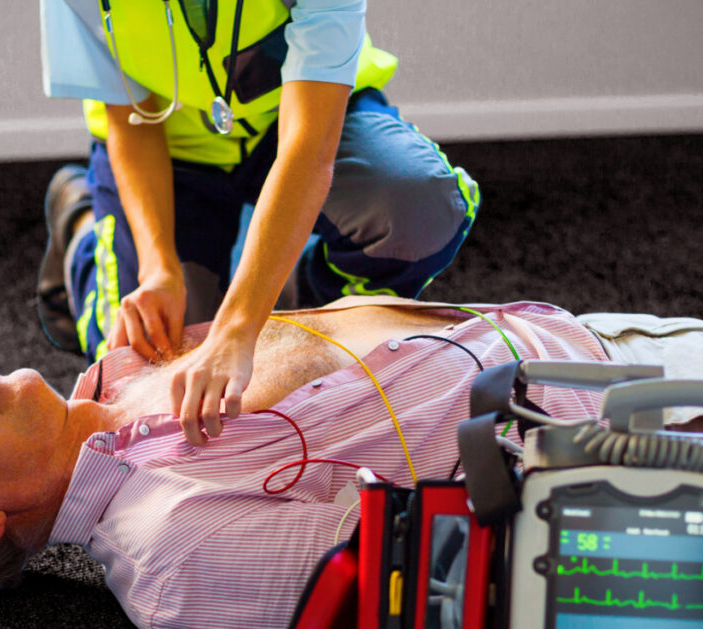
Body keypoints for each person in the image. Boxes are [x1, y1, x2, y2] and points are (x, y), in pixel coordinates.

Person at [0, 297, 703, 626]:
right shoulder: (173, 547)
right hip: (670, 428)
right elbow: (459, 568)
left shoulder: (120, 365)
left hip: (584, 336)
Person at [35, 0, 480, 430]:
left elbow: (307, 152)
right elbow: (132, 115)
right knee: (135, 375)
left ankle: (293, 298)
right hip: (170, 150)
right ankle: (80, 216)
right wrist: (158, 273)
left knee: (420, 210)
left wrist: (237, 329)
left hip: (296, 122)